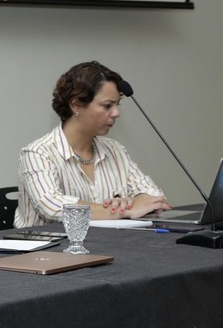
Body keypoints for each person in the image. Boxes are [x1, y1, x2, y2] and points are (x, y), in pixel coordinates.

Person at [15, 60, 172, 228]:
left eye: (117, 105)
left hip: (108, 242)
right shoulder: (37, 153)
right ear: (76, 105)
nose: (116, 113)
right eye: (107, 106)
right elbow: (53, 207)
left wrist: (132, 203)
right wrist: (122, 210)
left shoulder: (114, 150)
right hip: (48, 244)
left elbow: (155, 197)